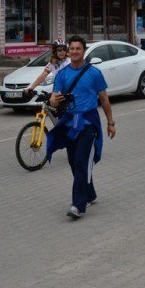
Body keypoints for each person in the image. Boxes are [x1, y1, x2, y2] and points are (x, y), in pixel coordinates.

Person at [47, 36, 115, 220]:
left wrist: (110, 123)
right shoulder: (62, 75)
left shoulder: (94, 73)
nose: (74, 51)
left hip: (88, 123)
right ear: (68, 51)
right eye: (72, 49)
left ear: (84, 51)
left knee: (80, 161)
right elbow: (54, 98)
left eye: (78, 48)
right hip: (70, 123)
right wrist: (54, 100)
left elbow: (104, 99)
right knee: (74, 163)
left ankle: (77, 205)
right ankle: (90, 194)